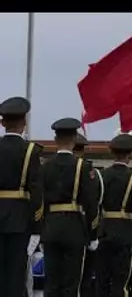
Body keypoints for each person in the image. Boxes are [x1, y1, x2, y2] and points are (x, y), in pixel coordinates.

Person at [41, 117, 99, 297]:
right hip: (74, 229)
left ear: (55, 140)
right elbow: (91, 202)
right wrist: (93, 234)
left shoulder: (45, 167)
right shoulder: (83, 167)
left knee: (51, 281)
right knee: (71, 283)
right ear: (75, 140)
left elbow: (39, 200)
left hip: (50, 227)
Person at [0, 96, 43, 297]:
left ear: (2, 123)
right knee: (16, 277)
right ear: (24, 122)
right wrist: (36, 228)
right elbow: (36, 192)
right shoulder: (30, 151)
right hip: (19, 220)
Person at [97, 133, 132, 297]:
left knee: (101, 279)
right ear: (129, 153)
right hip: (125, 232)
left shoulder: (101, 176)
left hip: (103, 231)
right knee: (121, 280)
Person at [74, 133, 104, 297]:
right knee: (83, 278)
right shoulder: (91, 172)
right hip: (84, 228)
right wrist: (93, 233)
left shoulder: (52, 166)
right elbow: (95, 204)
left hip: (55, 227)